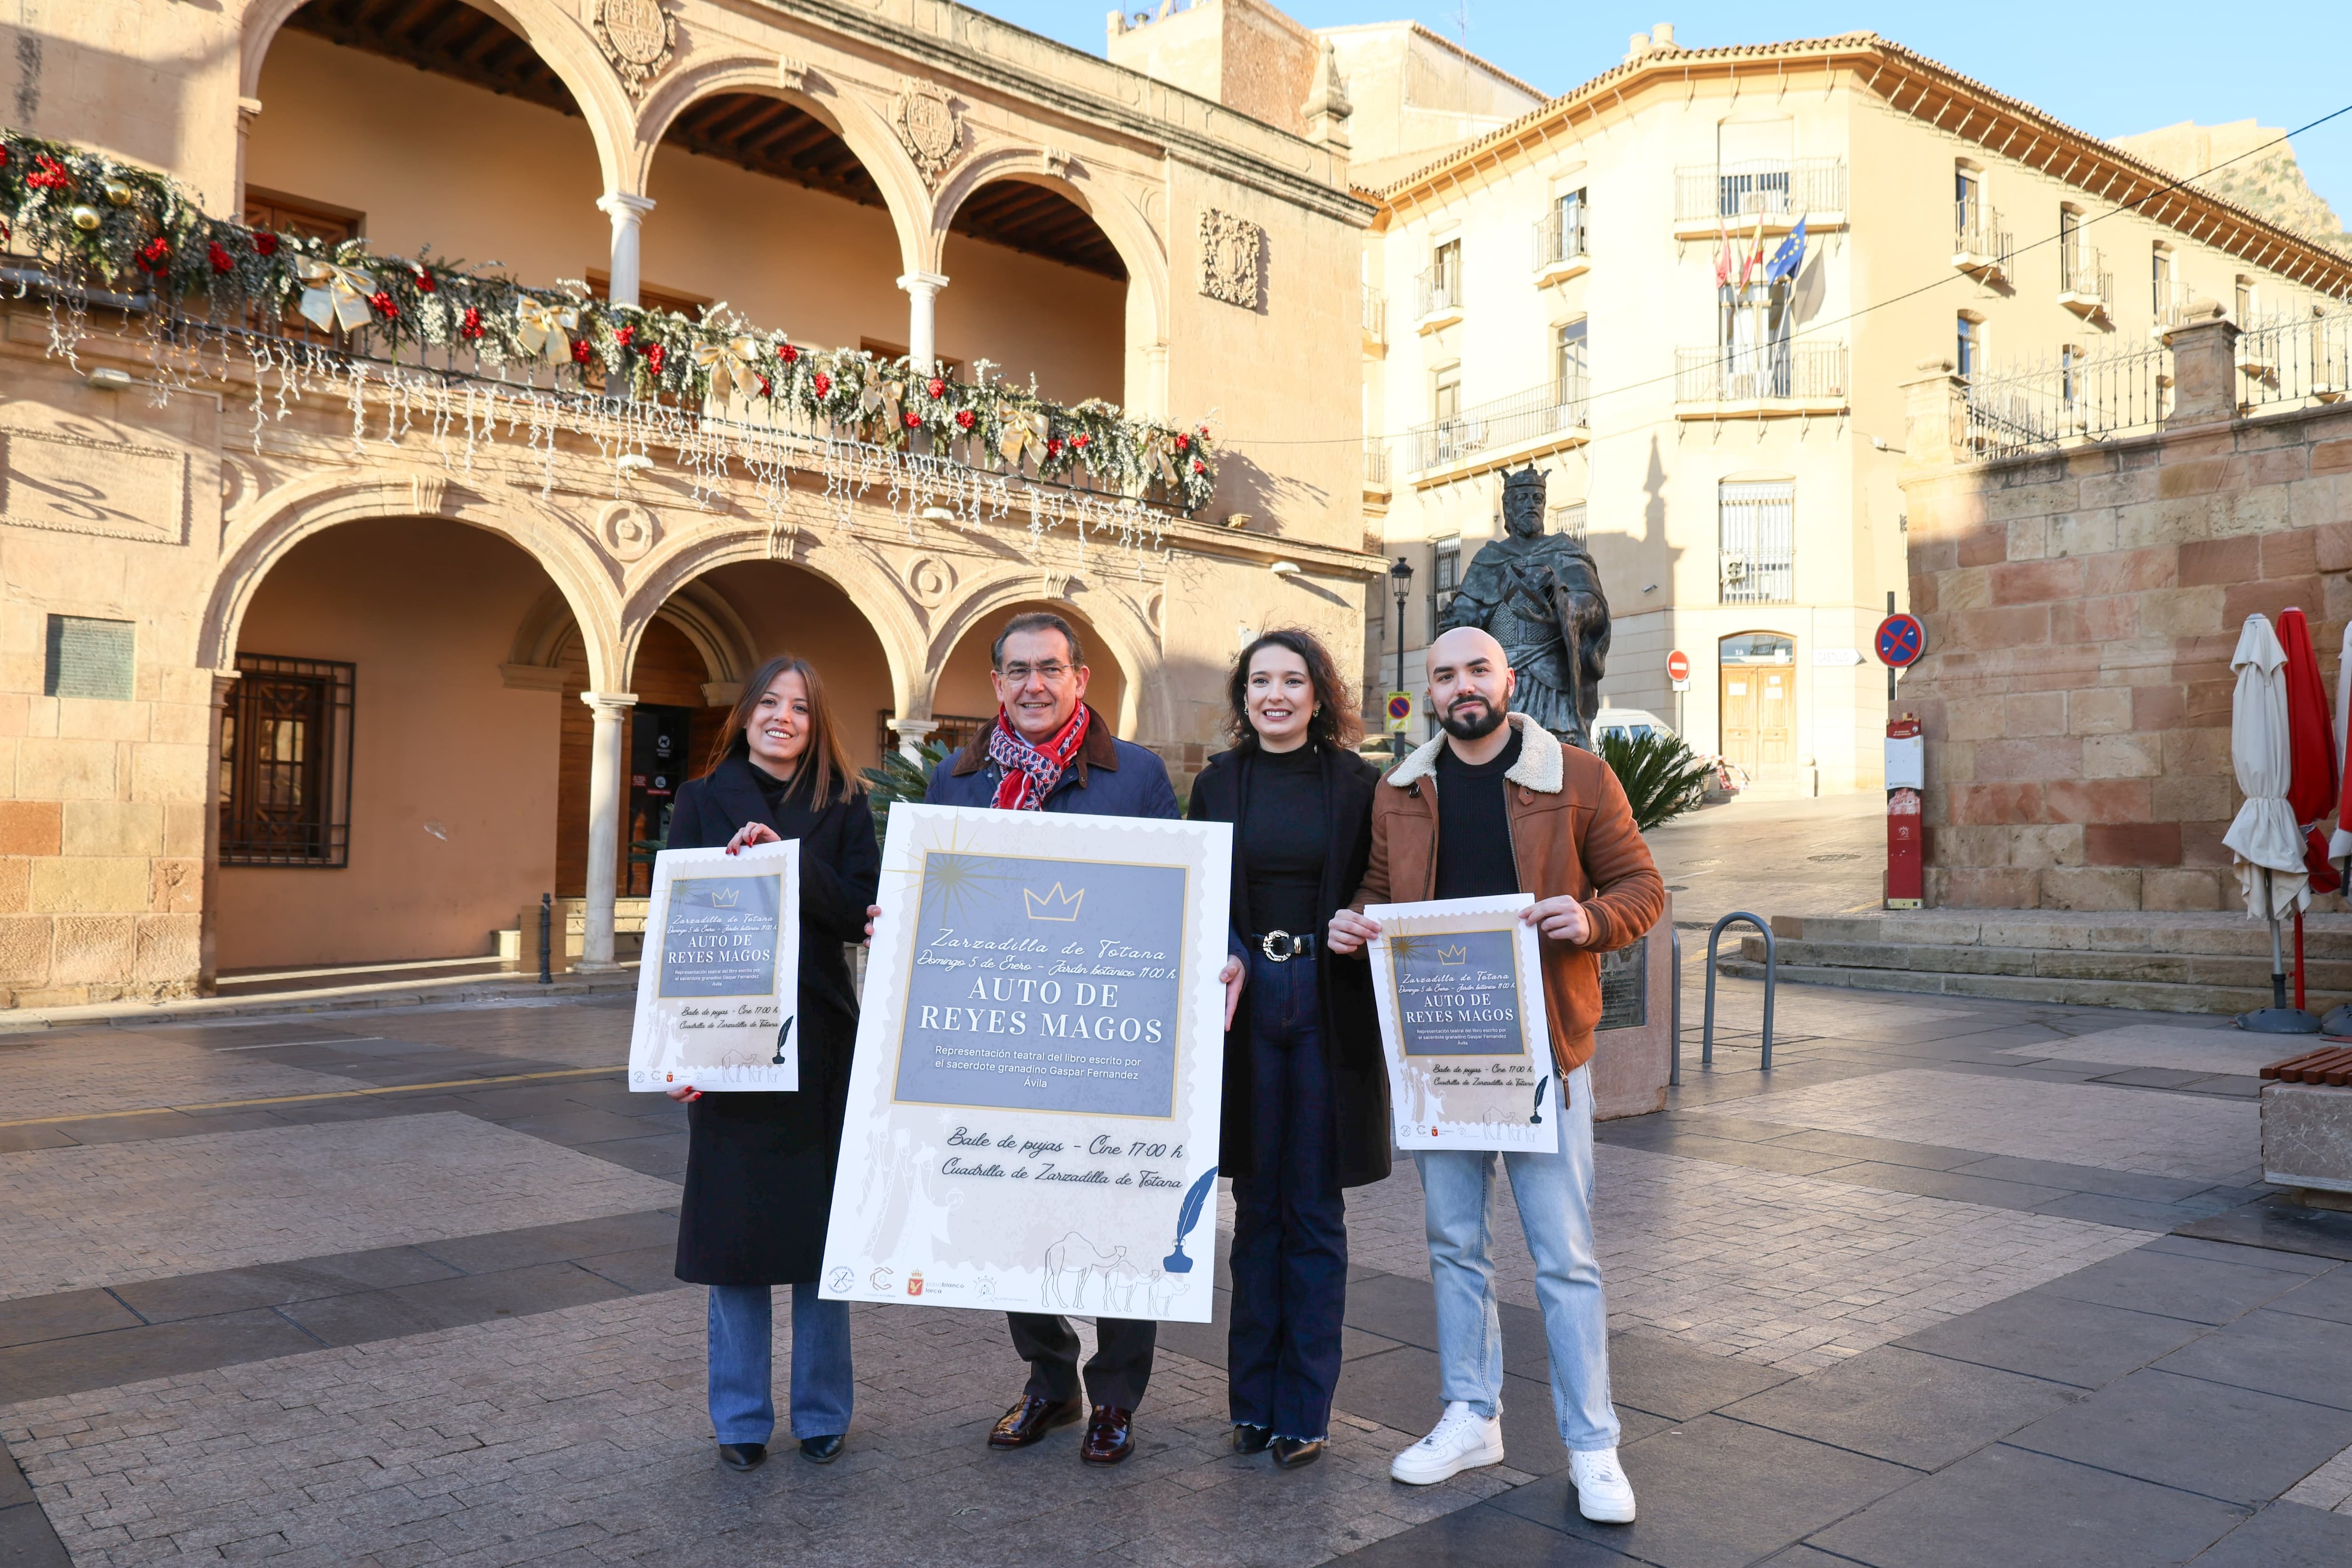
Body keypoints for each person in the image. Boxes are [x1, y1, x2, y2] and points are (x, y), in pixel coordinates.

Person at [1327, 626, 1662, 1525]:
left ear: (1507, 679)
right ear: (1430, 693)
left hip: (1545, 1052)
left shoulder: (1579, 777)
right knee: (1453, 1246)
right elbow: (1373, 888)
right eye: (1445, 675)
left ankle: (1594, 1445)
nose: (1462, 686)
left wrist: (1587, 919)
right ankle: (1472, 1416)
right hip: (1442, 1054)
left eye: (1477, 669)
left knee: (1566, 1258)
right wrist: (1356, 923)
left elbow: (1643, 889)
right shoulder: (1402, 790)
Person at [918, 610, 1244, 1465]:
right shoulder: (958, 778)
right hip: (1006, 1037)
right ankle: (1050, 1379)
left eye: (1050, 669)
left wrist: (1231, 957)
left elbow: (1192, 892)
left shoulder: (1133, 774)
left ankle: (1116, 1397)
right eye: (1017, 670)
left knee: (1125, 1217)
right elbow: (931, 897)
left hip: (1113, 1037)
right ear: (996, 685)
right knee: (1014, 1215)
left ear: (1080, 679)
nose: (1034, 684)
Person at [664, 655, 880, 1474]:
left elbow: (861, 913)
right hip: (728, 1045)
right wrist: (676, 1048)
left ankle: (823, 1412)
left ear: (814, 720)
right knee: (737, 1239)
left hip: (821, 1043)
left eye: (798, 706)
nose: (782, 717)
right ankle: (741, 1417)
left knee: (824, 1241)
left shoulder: (844, 803)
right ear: (746, 713)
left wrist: (784, 854)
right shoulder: (698, 798)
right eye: (769, 703)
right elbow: (676, 931)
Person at [1186, 629, 1388, 1470]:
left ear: (1318, 693)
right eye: (1260, 680)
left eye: (1292, 680)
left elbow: (1382, 881)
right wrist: (1225, 942)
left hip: (1327, 1002)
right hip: (1245, 998)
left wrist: (1364, 914)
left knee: (1313, 1208)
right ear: (1244, 695)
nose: (1276, 694)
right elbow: (1196, 888)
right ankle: (1251, 1404)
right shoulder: (1217, 782)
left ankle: (1304, 1409)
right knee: (1256, 1207)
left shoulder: (1357, 783)